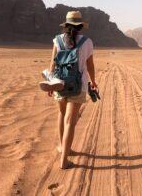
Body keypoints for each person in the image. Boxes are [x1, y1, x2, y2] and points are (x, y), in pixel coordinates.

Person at [42, 11, 98, 169]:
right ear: (80, 26)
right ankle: (64, 161)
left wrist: (50, 83)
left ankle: (63, 147)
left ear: (66, 25)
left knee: (61, 115)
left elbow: (52, 64)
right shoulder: (87, 42)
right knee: (70, 122)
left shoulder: (57, 40)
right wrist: (93, 82)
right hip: (78, 86)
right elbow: (90, 66)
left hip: (59, 83)